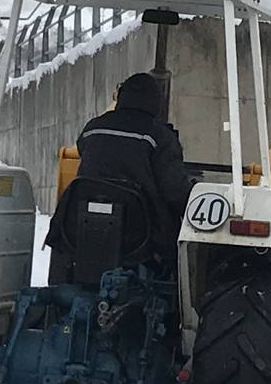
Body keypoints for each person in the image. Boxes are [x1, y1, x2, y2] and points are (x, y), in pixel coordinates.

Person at [50, 72, 194, 272]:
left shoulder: (94, 128)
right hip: (140, 238)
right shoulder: (159, 136)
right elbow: (175, 191)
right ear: (156, 102)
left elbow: (84, 149)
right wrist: (194, 195)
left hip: (81, 230)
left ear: (121, 95)